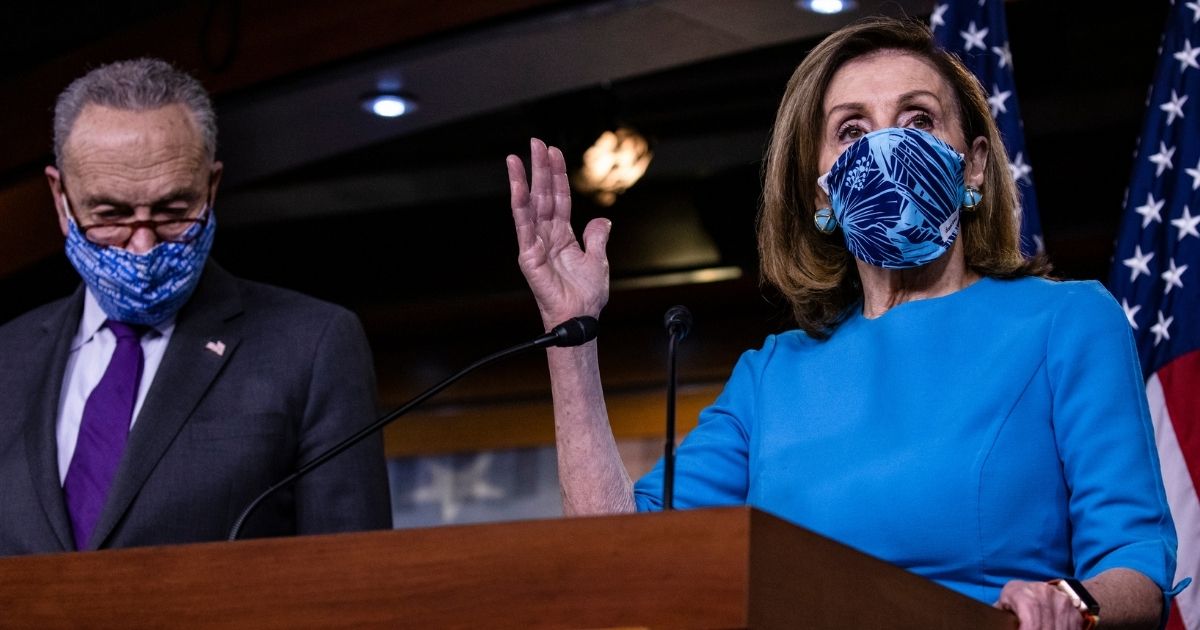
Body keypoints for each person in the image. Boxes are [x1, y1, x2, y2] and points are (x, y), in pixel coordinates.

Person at [506, 17, 1183, 630]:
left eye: (917, 120)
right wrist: (572, 332)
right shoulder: (771, 375)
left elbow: (1134, 561)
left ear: (974, 164)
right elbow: (623, 556)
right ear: (820, 189)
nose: (885, 147)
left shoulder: (1067, 321)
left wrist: (1072, 602)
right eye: (852, 130)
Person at [0, 58, 391, 555]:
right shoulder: (4, 359)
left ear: (211, 186)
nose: (142, 246)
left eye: (172, 211)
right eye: (110, 214)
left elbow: (352, 576)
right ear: (60, 198)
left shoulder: (312, 346)